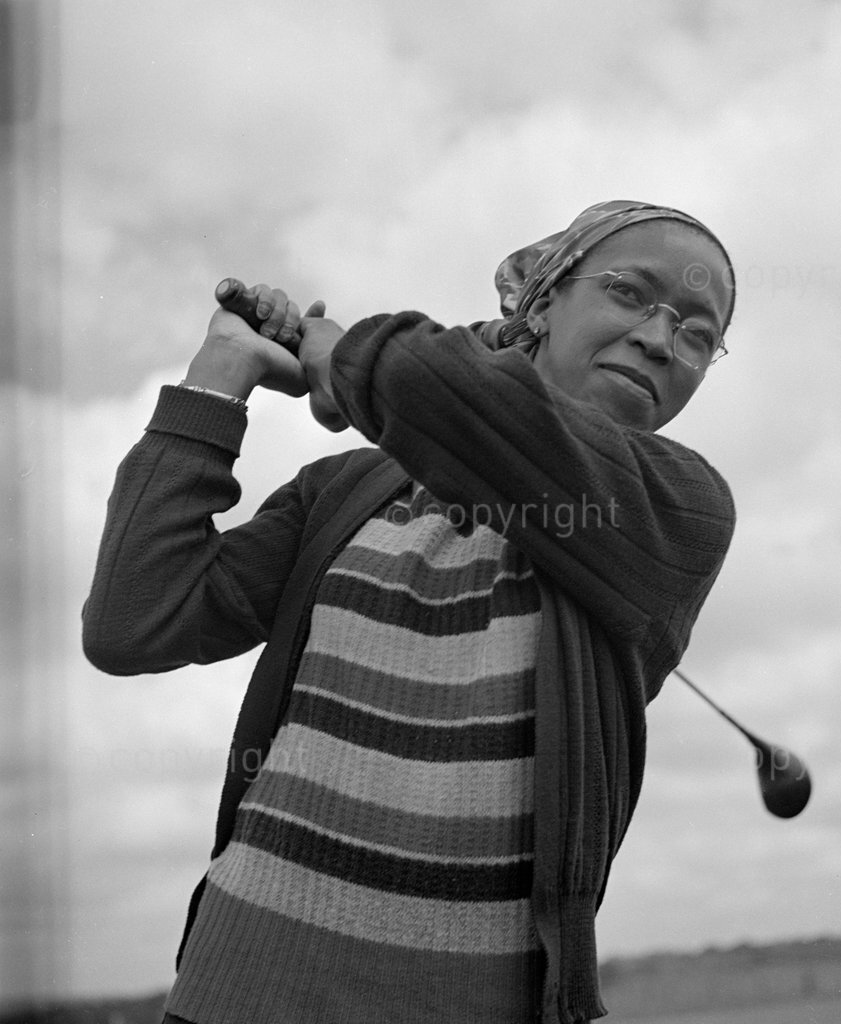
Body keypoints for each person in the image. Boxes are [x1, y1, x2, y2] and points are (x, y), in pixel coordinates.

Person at [83, 199, 738, 1024]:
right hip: (231, 991)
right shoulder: (343, 492)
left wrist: (334, 355)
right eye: (629, 291)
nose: (658, 336)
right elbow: (134, 622)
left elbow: (466, 403)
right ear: (542, 300)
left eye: (696, 333)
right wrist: (222, 375)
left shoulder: (680, 508)